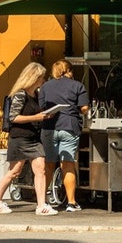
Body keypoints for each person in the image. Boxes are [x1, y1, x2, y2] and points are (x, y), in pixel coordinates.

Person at [0, 63, 53, 216]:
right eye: (41, 77)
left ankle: (41, 205)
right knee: (14, 171)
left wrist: (44, 115)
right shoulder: (20, 94)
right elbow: (14, 117)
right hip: (20, 138)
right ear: (34, 78)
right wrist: (37, 117)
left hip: (33, 137)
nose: (43, 80)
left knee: (40, 169)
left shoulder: (36, 94)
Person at [39, 59, 90, 211]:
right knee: (67, 164)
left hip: (49, 128)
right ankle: (71, 202)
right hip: (69, 126)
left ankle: (43, 201)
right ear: (68, 70)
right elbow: (84, 108)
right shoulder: (77, 85)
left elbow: (42, 107)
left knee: (48, 164)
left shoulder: (45, 86)